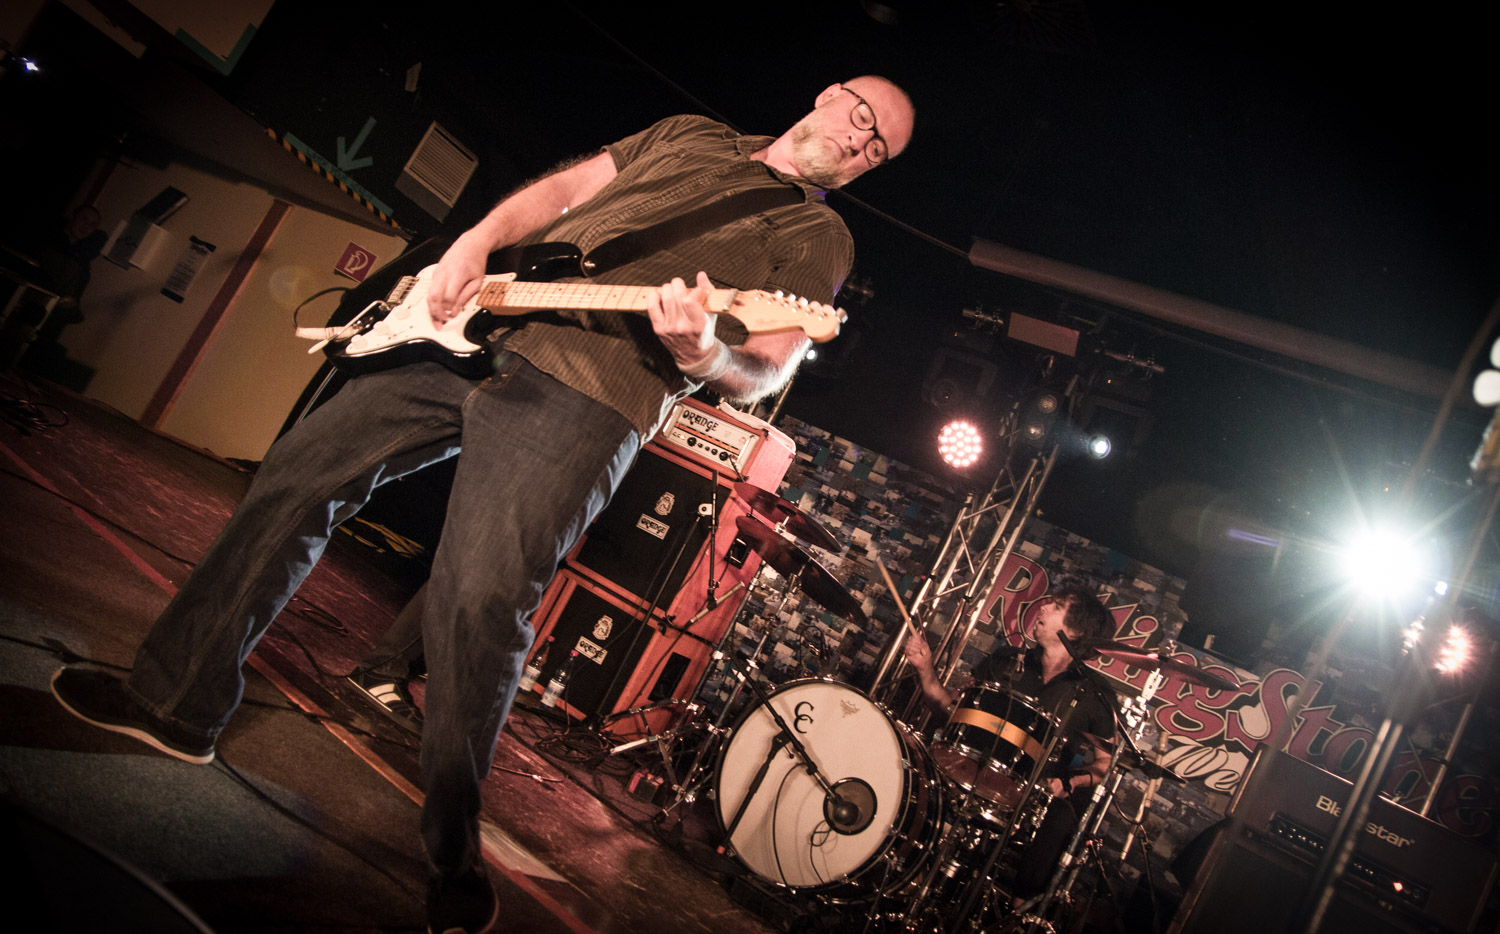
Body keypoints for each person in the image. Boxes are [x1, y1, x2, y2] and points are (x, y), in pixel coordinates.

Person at [50, 76, 915, 934]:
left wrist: (700, 357)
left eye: (880, 149)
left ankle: (451, 856)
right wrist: (474, 242)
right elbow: (574, 189)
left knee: (478, 602)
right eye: (862, 117)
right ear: (828, 93)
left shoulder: (816, 233)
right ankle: (175, 705)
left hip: (591, 391)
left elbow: (766, 359)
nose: (860, 142)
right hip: (483, 321)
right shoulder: (692, 131)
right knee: (298, 476)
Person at [904, 582, 1118, 907]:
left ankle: (1018, 913)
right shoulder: (1007, 659)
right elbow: (950, 711)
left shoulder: (1095, 694)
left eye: (1056, 606)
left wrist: (1069, 782)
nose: (1043, 606)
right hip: (970, 772)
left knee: (1061, 818)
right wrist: (925, 669)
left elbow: (1105, 764)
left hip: (1034, 797)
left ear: (1075, 630)